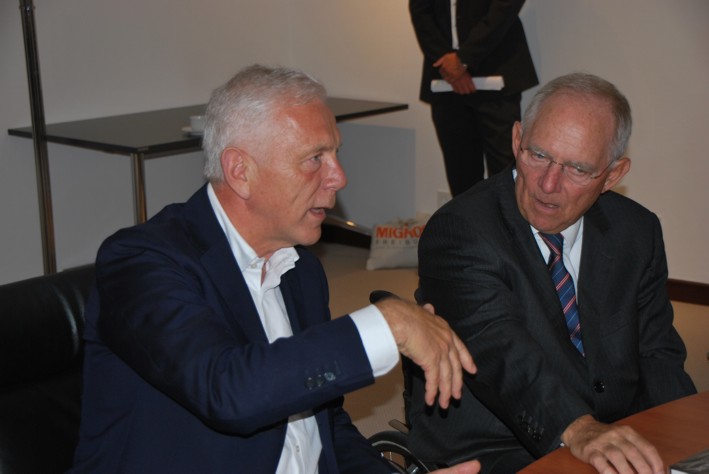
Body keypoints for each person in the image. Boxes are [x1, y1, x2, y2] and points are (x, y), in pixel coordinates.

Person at [68, 65, 482, 474]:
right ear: (240, 172)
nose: (339, 177)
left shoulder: (300, 269)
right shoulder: (140, 261)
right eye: (315, 158)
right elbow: (228, 390)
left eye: (335, 154)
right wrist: (389, 324)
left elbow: (324, 425)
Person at [406, 72, 697, 474]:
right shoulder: (460, 231)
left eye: (577, 168)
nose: (548, 183)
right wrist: (580, 429)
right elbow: (502, 354)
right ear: (516, 140)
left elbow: (657, 353)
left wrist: (688, 443)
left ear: (612, 175)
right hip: (498, 442)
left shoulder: (636, 230)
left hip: (612, 429)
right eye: (539, 155)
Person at [409, 0, 538, 197]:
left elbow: (505, 7)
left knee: (505, 175)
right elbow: (420, 11)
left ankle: (504, 220)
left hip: (497, 74)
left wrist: (463, 59)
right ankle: (467, 220)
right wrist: (448, 64)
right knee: (460, 175)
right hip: (444, 81)